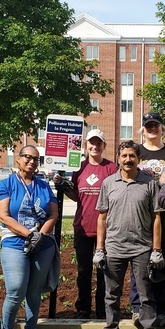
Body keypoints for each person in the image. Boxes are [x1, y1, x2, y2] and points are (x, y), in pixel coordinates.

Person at [95, 140, 162, 329]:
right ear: (118, 158)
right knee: (111, 296)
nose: (128, 159)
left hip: (142, 248)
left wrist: (157, 250)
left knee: (146, 295)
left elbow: (156, 218)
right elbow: (102, 218)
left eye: (132, 156)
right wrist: (99, 249)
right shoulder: (108, 183)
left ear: (138, 159)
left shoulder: (149, 183)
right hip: (114, 248)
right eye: (124, 156)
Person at [0, 145, 59, 329]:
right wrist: (29, 235)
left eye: (36, 159)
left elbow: (53, 214)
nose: (31, 161)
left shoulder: (43, 185)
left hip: (43, 243)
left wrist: (40, 236)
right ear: (18, 159)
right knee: (15, 289)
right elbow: (4, 216)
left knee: (34, 291)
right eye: (27, 157)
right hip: (15, 242)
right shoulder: (5, 184)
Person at [53, 128, 116, 319]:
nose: (95, 146)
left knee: (105, 273)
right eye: (91, 143)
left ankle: (102, 309)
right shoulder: (78, 168)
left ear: (104, 146)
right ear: (86, 145)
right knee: (83, 272)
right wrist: (63, 187)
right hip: (82, 227)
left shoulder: (111, 168)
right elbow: (77, 196)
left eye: (99, 143)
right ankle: (83, 308)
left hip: (105, 230)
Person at [130, 112, 165, 325]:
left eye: (156, 125)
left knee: (163, 260)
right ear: (143, 129)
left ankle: (163, 309)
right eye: (148, 126)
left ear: (162, 128)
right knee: (138, 258)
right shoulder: (136, 151)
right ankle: (138, 307)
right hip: (141, 213)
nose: (152, 129)